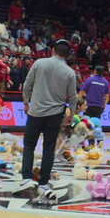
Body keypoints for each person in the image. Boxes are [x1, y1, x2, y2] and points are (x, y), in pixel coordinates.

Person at [21, 39, 77, 203]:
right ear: (66, 55)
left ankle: (26, 177)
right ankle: (43, 182)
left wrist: (25, 103)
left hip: (35, 111)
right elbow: (72, 96)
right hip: (55, 114)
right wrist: (72, 112)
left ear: (53, 50)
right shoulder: (70, 72)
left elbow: (27, 84)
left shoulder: (39, 63)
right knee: (49, 147)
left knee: (29, 144)